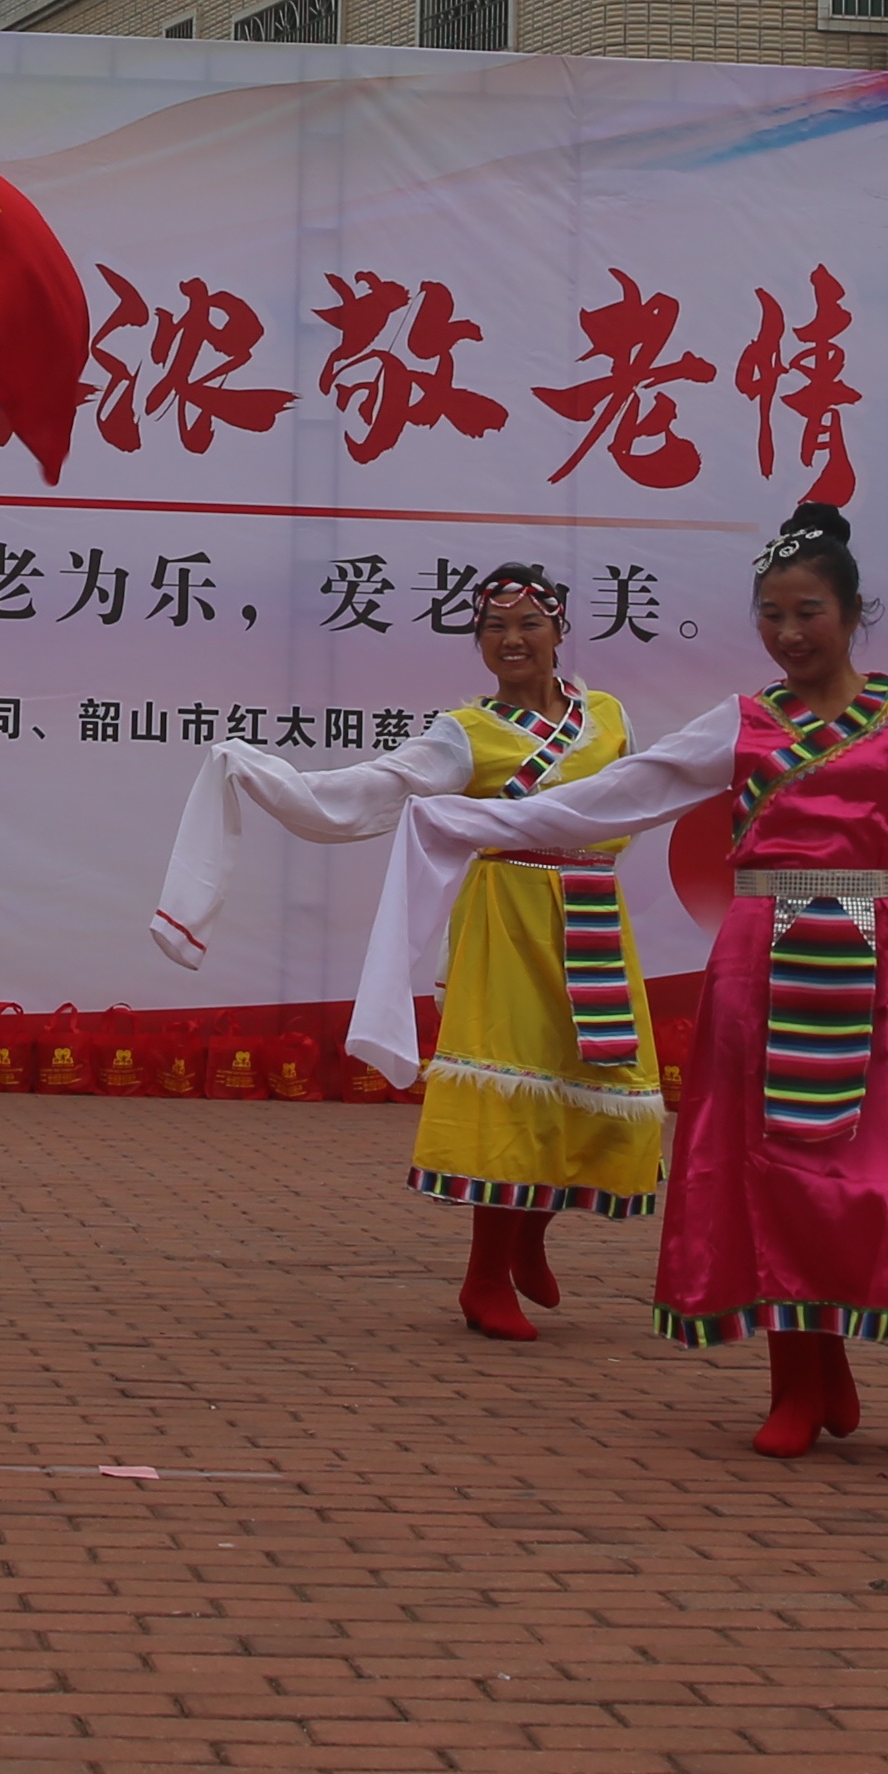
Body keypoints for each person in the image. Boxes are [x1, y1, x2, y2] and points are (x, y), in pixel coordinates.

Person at [359, 504, 888, 1455]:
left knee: (862, 1174)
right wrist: (474, 824)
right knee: (770, 1165)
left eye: (808, 614)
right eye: (772, 617)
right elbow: (631, 790)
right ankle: (797, 1375)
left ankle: (834, 1356)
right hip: (763, 960)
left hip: (870, 964)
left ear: (852, 612)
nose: (788, 635)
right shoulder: (744, 722)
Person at [156, 562, 663, 1340]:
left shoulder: (609, 715)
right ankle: (484, 1277)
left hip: (595, 913)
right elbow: (372, 786)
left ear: (560, 631)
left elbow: (645, 792)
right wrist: (261, 773)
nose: (512, 639)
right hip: (509, 919)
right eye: (495, 628)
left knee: (596, 1076)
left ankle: (531, 1237)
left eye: (529, 623)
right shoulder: (464, 734)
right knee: (509, 1090)